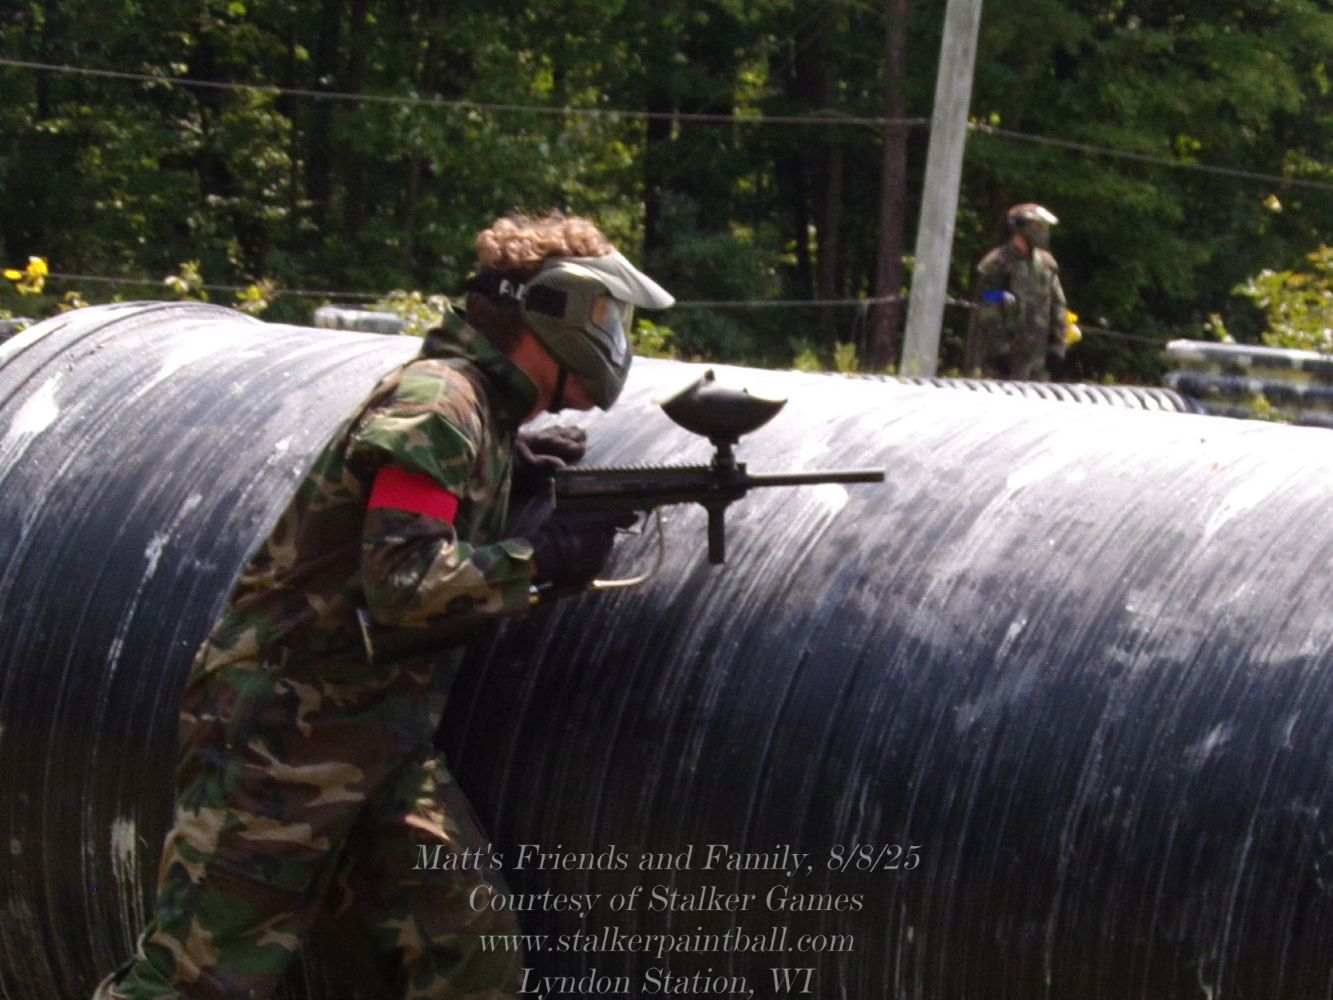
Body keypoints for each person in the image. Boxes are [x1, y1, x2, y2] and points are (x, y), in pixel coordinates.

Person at [95, 211, 673, 999]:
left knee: (469, 953)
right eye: (604, 316)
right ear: (552, 312)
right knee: (192, 983)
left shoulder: (475, 412)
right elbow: (403, 584)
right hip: (282, 734)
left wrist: (506, 476)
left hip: (379, 736)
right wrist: (544, 558)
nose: (612, 337)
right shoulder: (439, 403)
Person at [964, 202, 1070, 381]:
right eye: (1037, 226)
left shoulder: (1046, 264)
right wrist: (1000, 351)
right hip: (1002, 363)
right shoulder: (997, 263)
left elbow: (1058, 306)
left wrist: (1057, 346)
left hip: (1038, 361)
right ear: (1020, 227)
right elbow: (988, 306)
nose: (1043, 232)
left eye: (1044, 227)